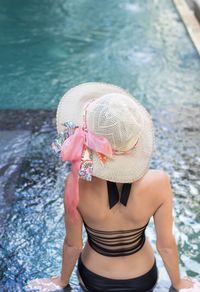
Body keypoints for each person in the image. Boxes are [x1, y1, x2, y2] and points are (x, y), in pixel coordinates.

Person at [26, 82, 198, 291]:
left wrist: (61, 282)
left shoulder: (76, 184)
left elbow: (73, 245)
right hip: (143, 278)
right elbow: (166, 245)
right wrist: (178, 283)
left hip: (94, 277)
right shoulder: (159, 182)